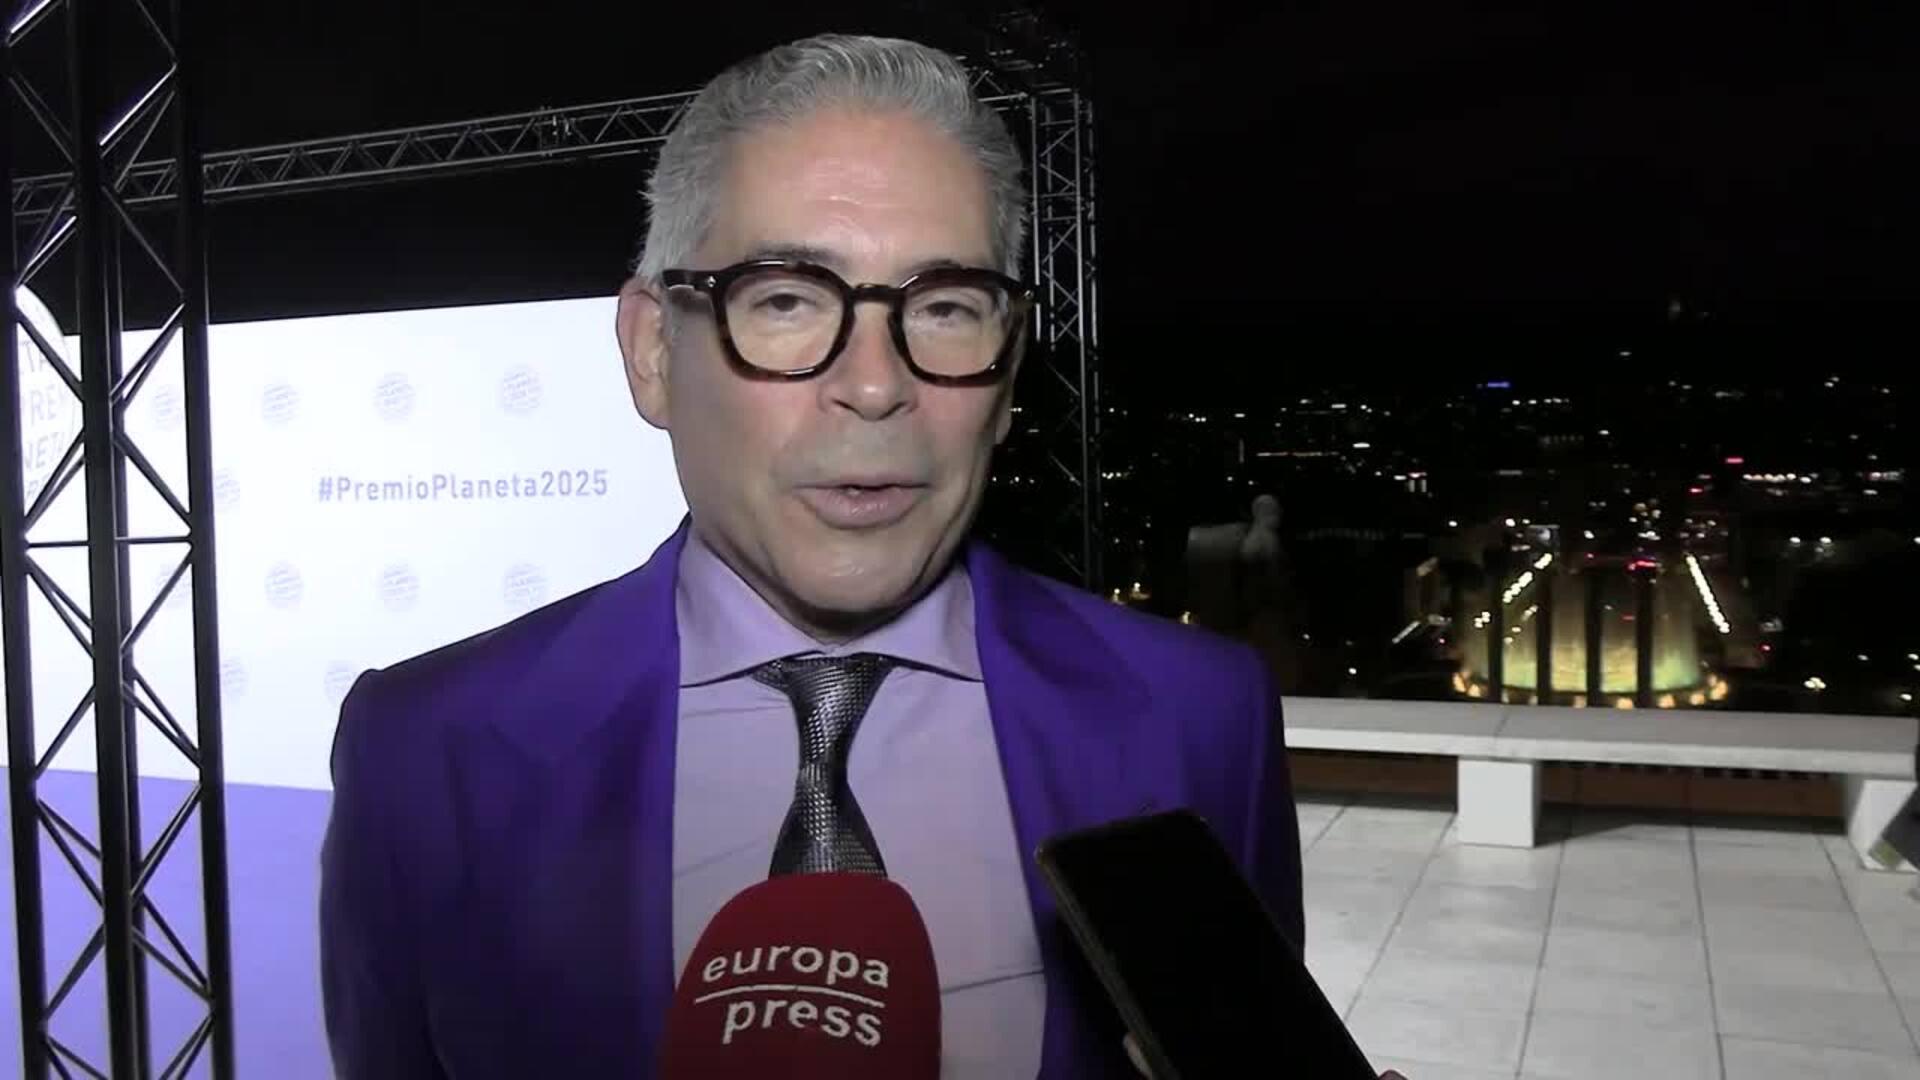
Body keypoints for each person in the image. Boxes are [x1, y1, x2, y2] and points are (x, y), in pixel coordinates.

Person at [320, 33, 1321, 1079]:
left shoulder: (1202, 716)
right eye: (787, 300)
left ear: (1009, 372)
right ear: (653, 352)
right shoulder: (425, 751)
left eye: (944, 307)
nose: (876, 386)